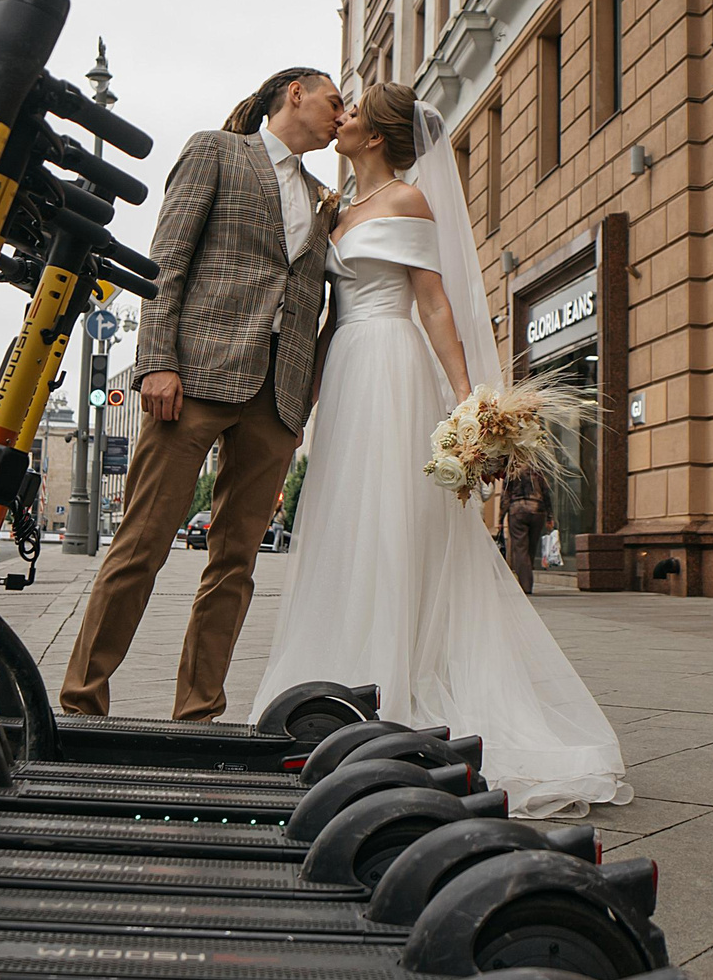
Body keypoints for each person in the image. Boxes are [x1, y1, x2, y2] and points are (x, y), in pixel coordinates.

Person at [246, 83, 630, 817]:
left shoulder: (407, 202)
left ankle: (391, 685)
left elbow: (433, 301)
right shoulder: (340, 210)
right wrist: (303, 411)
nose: (342, 117)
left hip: (393, 367)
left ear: (379, 136)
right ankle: (333, 682)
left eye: (353, 112)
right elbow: (328, 322)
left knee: (393, 526)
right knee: (346, 529)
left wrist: (468, 401)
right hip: (351, 368)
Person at [59, 67, 340, 721]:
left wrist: (304, 403)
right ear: (294, 92)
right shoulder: (217, 149)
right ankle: (80, 702)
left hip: (277, 400)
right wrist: (155, 361)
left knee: (235, 564)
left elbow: (315, 301)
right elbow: (167, 261)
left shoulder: (326, 195)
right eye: (334, 98)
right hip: (193, 380)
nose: (341, 113)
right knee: (141, 545)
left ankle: (199, 711)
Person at [499, 464, 549, 596]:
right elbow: (546, 492)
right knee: (531, 548)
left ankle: (526, 585)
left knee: (521, 549)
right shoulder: (537, 470)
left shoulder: (512, 470)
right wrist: (550, 516)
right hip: (537, 510)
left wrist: (500, 518)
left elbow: (505, 496)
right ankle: (527, 579)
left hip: (518, 510)